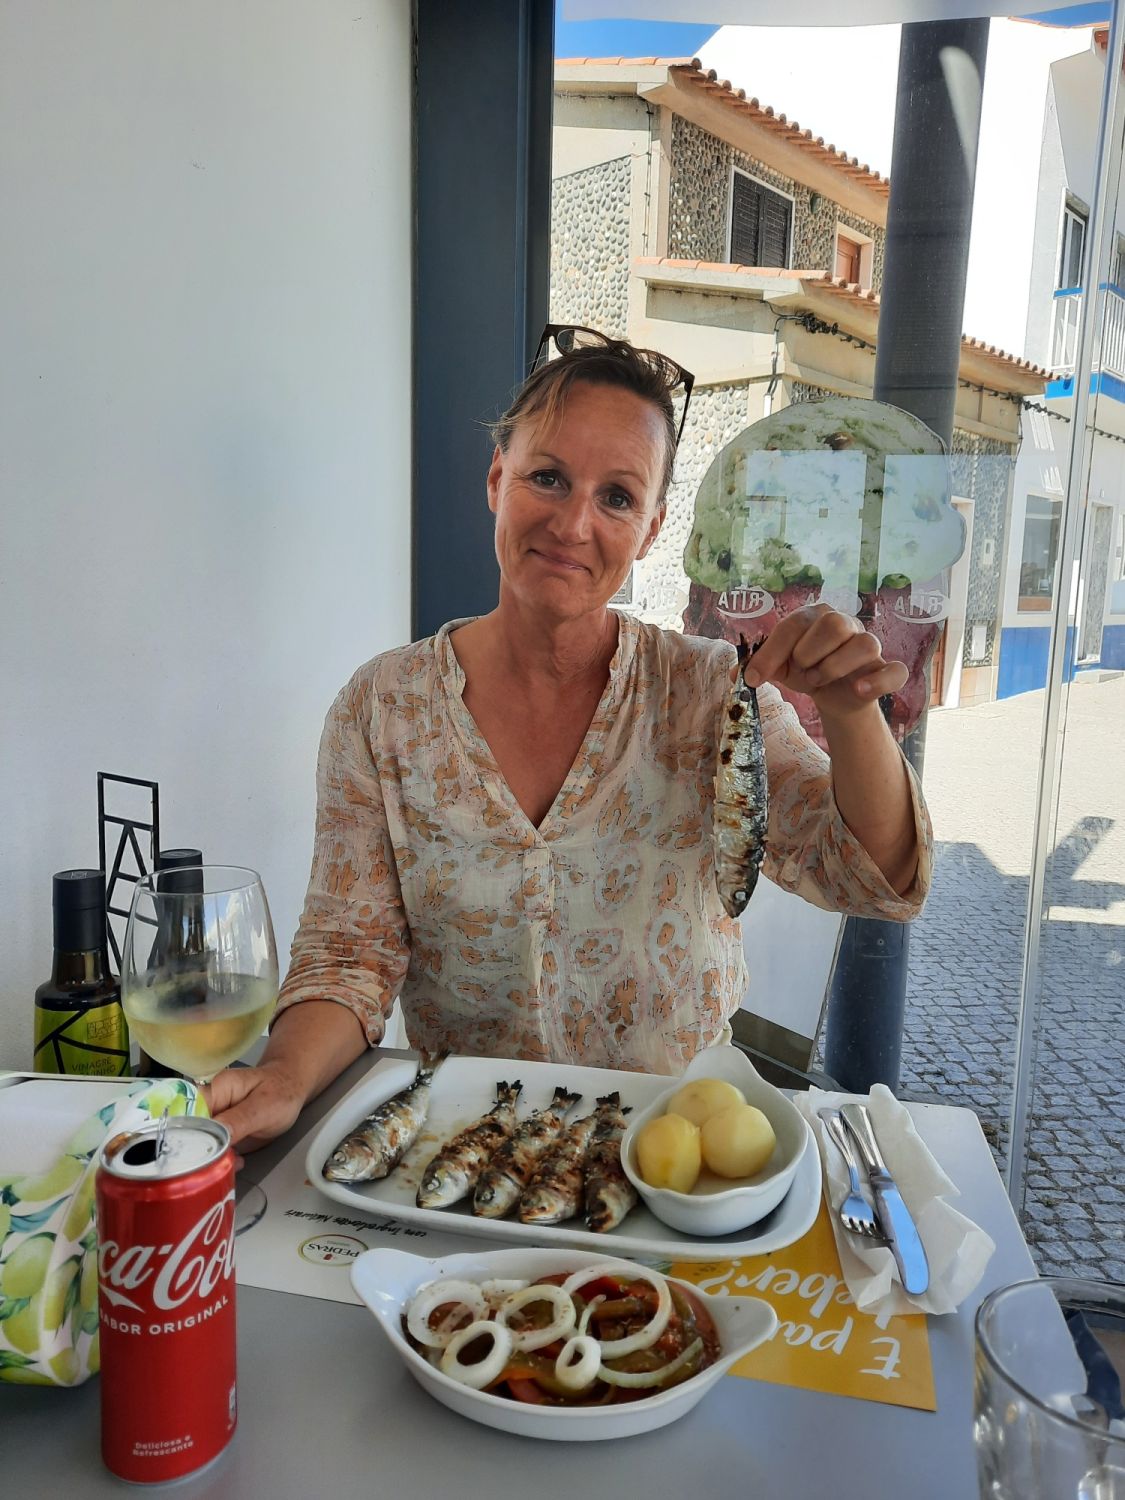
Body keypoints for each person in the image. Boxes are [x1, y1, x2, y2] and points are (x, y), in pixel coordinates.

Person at [209, 327, 932, 1154]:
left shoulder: (708, 693)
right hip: (465, 1155)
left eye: (617, 497)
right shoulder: (384, 709)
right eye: (547, 477)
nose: (573, 523)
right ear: (497, 480)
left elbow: (874, 878)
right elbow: (349, 954)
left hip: (678, 1152)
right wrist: (283, 1078)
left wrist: (850, 710)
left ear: (651, 530)